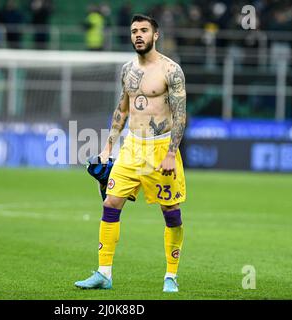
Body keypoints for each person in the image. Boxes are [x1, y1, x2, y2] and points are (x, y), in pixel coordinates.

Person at [75, 14, 187, 293]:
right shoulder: (127, 70)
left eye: (144, 30)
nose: (138, 34)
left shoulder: (170, 70)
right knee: (110, 204)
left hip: (161, 149)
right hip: (132, 148)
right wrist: (107, 146)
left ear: (155, 35)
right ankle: (103, 273)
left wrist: (172, 153)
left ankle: (170, 275)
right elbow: (122, 110)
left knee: (170, 211)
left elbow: (181, 115)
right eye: (134, 30)